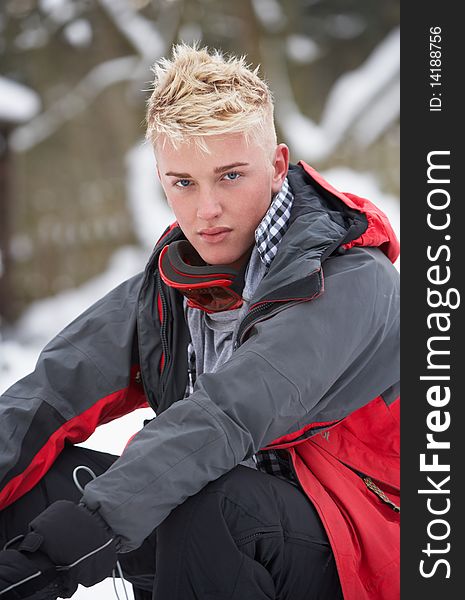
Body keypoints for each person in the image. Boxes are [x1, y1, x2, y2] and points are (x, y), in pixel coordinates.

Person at [0, 44, 400, 600]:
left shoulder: (351, 278)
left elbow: (228, 414)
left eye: (230, 176)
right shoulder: (173, 283)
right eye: (183, 182)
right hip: (225, 523)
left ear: (278, 164)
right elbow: (53, 390)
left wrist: (78, 539)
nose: (205, 209)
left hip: (364, 545)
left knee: (210, 500)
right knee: (34, 495)